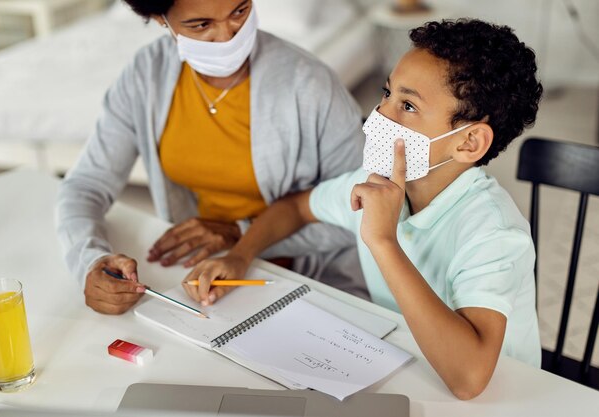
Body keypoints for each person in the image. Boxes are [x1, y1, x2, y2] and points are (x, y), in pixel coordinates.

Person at [182, 19, 543, 400]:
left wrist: (383, 241)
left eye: (407, 105)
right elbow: (295, 208)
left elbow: (470, 380)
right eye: (386, 93)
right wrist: (241, 255)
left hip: (504, 397)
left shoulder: (493, 232)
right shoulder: (375, 183)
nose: (379, 116)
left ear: (469, 142)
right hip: (411, 366)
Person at [55, 0, 368, 315]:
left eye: (239, 11)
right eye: (201, 25)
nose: (228, 36)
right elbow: (85, 184)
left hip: (308, 278)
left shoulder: (310, 85)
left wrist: (238, 234)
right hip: (199, 280)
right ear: (160, 18)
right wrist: (90, 261)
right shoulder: (146, 76)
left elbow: (361, 212)